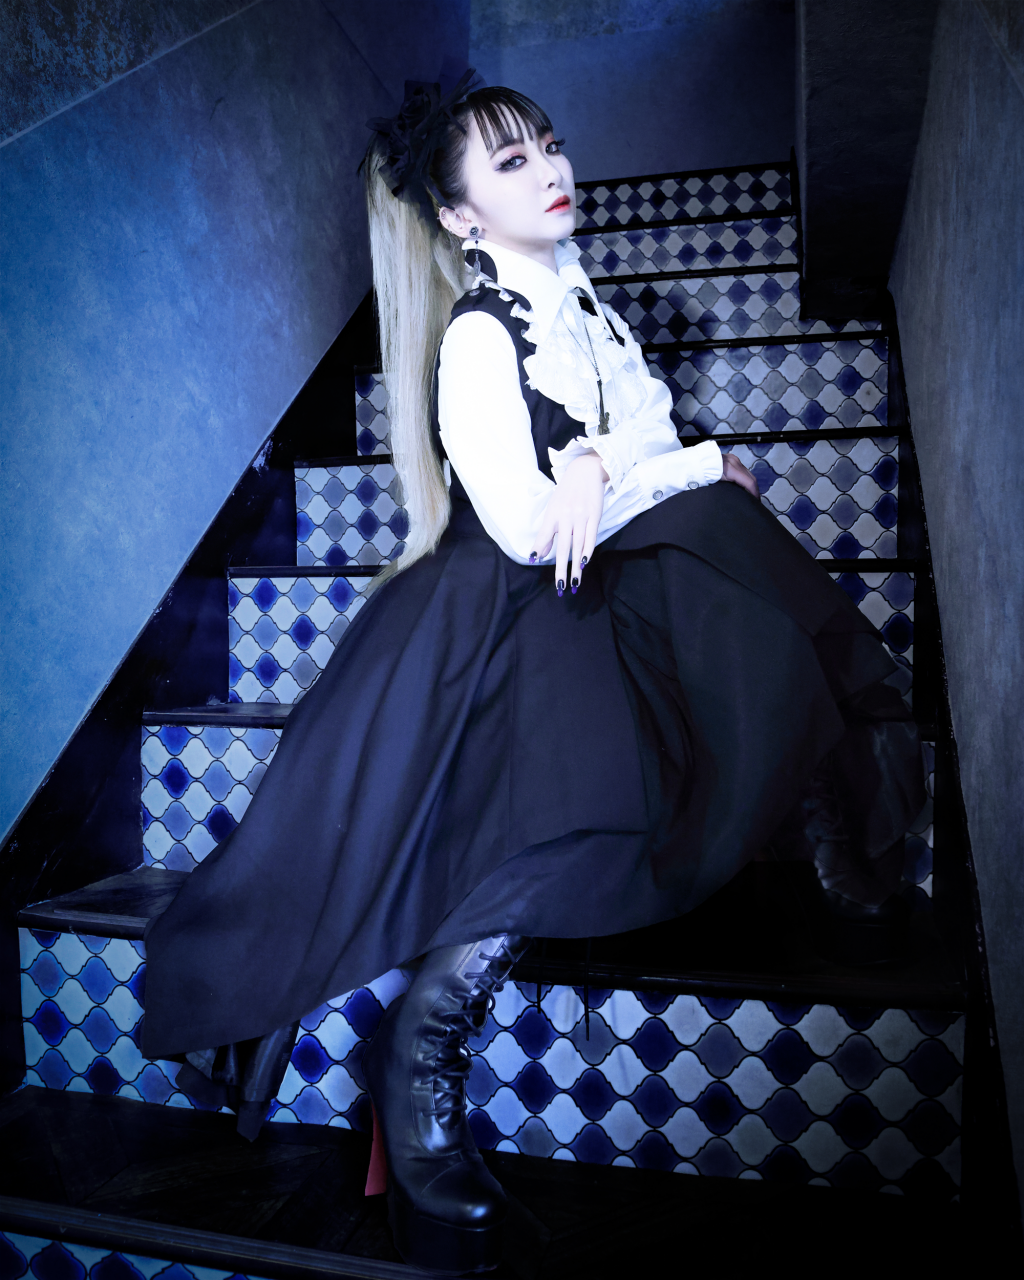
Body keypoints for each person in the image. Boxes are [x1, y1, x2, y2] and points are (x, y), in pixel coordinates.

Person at [143, 77, 924, 1273]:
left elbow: (652, 457)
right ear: (460, 216)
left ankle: (831, 837)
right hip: (506, 598)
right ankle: (420, 1053)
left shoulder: (588, 308)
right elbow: (522, 529)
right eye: (510, 161)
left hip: (586, 574)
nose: (551, 167)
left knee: (718, 525)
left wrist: (630, 465)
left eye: (549, 145)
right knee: (603, 717)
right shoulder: (476, 336)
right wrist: (631, 472)